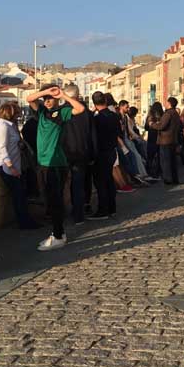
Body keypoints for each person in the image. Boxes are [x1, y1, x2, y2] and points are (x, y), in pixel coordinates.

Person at [25, 84, 85, 251]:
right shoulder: (42, 112)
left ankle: (57, 235)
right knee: (48, 199)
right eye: (46, 99)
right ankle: (59, 232)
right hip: (43, 163)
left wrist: (63, 96)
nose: (48, 101)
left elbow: (79, 109)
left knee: (55, 200)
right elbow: (29, 99)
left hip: (56, 163)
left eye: (51, 99)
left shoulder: (62, 113)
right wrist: (46, 92)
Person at [0, 101, 38, 229]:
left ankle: (26, 221)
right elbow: (2, 148)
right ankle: (24, 222)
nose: (19, 114)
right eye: (17, 112)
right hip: (6, 166)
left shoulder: (10, 125)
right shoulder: (3, 127)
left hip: (14, 165)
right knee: (18, 195)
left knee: (21, 194)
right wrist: (11, 167)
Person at [60, 84, 97, 225]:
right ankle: (79, 213)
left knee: (62, 185)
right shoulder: (86, 112)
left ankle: (61, 213)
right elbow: (92, 135)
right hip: (82, 152)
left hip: (64, 152)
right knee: (79, 184)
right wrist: (92, 154)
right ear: (78, 95)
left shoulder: (62, 111)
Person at [89, 91, 121, 220]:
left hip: (101, 153)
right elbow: (119, 133)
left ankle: (103, 210)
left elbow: (93, 138)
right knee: (109, 179)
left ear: (94, 103)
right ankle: (112, 208)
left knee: (100, 182)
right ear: (106, 101)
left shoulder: (96, 119)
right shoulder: (114, 116)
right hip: (112, 151)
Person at [149, 97, 181, 185]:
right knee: (173, 161)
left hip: (165, 140)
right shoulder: (176, 113)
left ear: (169, 103)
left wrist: (152, 124)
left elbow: (161, 126)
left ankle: (168, 179)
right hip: (173, 140)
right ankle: (174, 179)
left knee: (165, 161)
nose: (164, 104)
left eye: (166, 102)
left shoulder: (168, 114)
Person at [144, 102, 164, 179]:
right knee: (160, 155)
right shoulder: (162, 115)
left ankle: (149, 171)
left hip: (152, 137)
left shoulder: (150, 116)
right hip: (160, 137)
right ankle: (159, 171)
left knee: (150, 156)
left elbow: (146, 127)